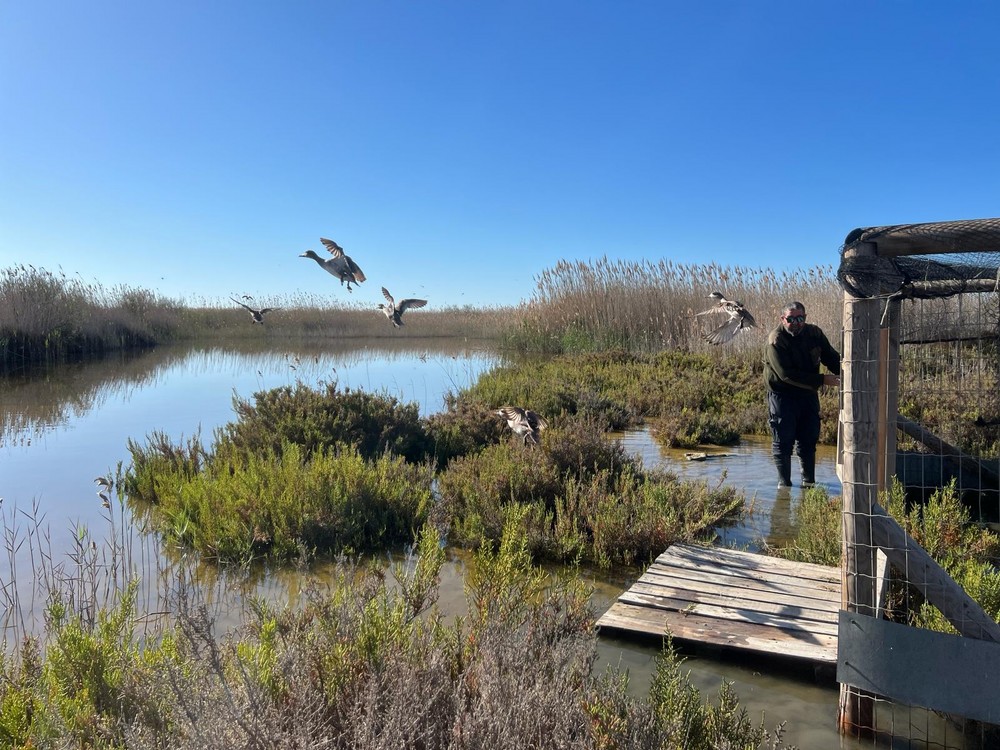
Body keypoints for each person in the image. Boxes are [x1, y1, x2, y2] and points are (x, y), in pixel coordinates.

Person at [764, 301, 841, 488]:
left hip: (807, 394)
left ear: (805, 318)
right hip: (782, 395)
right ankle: (784, 487)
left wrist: (850, 372)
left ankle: (809, 484)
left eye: (800, 318)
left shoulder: (814, 333)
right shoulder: (776, 339)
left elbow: (831, 358)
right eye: (791, 319)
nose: (796, 323)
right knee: (783, 441)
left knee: (808, 439)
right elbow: (785, 374)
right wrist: (823, 380)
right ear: (783, 319)